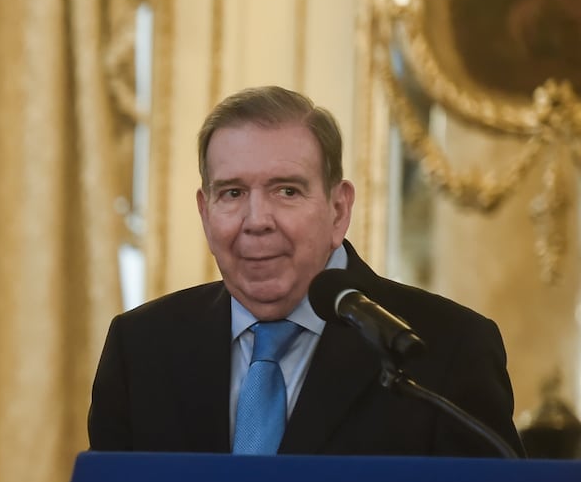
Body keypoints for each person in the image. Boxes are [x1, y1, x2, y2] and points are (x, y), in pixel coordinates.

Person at [86, 84, 521, 457]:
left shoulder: (447, 351)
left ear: (338, 209)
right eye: (233, 192)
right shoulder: (142, 350)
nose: (257, 220)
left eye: (287, 191)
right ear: (205, 211)